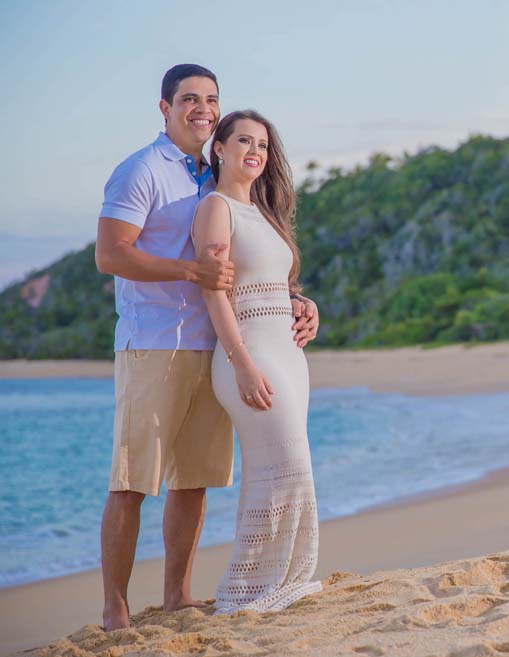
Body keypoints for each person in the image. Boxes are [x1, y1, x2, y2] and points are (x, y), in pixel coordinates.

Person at [94, 64, 320, 630]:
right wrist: (188, 270)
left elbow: (246, 267)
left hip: (213, 343)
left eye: (211, 99)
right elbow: (110, 255)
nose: (202, 107)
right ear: (164, 107)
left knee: (193, 478)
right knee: (133, 479)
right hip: (154, 344)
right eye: (190, 99)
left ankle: (178, 595)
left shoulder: (206, 176)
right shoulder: (141, 171)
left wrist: (295, 300)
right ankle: (116, 607)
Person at [191, 110, 321, 613]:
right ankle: (247, 589)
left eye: (263, 145)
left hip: (288, 355)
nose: (255, 151)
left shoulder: (265, 212)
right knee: (282, 465)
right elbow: (214, 291)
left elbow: (274, 284)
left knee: (289, 465)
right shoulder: (215, 208)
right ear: (219, 148)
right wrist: (241, 361)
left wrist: (305, 304)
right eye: (243, 140)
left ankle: (282, 578)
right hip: (248, 353)